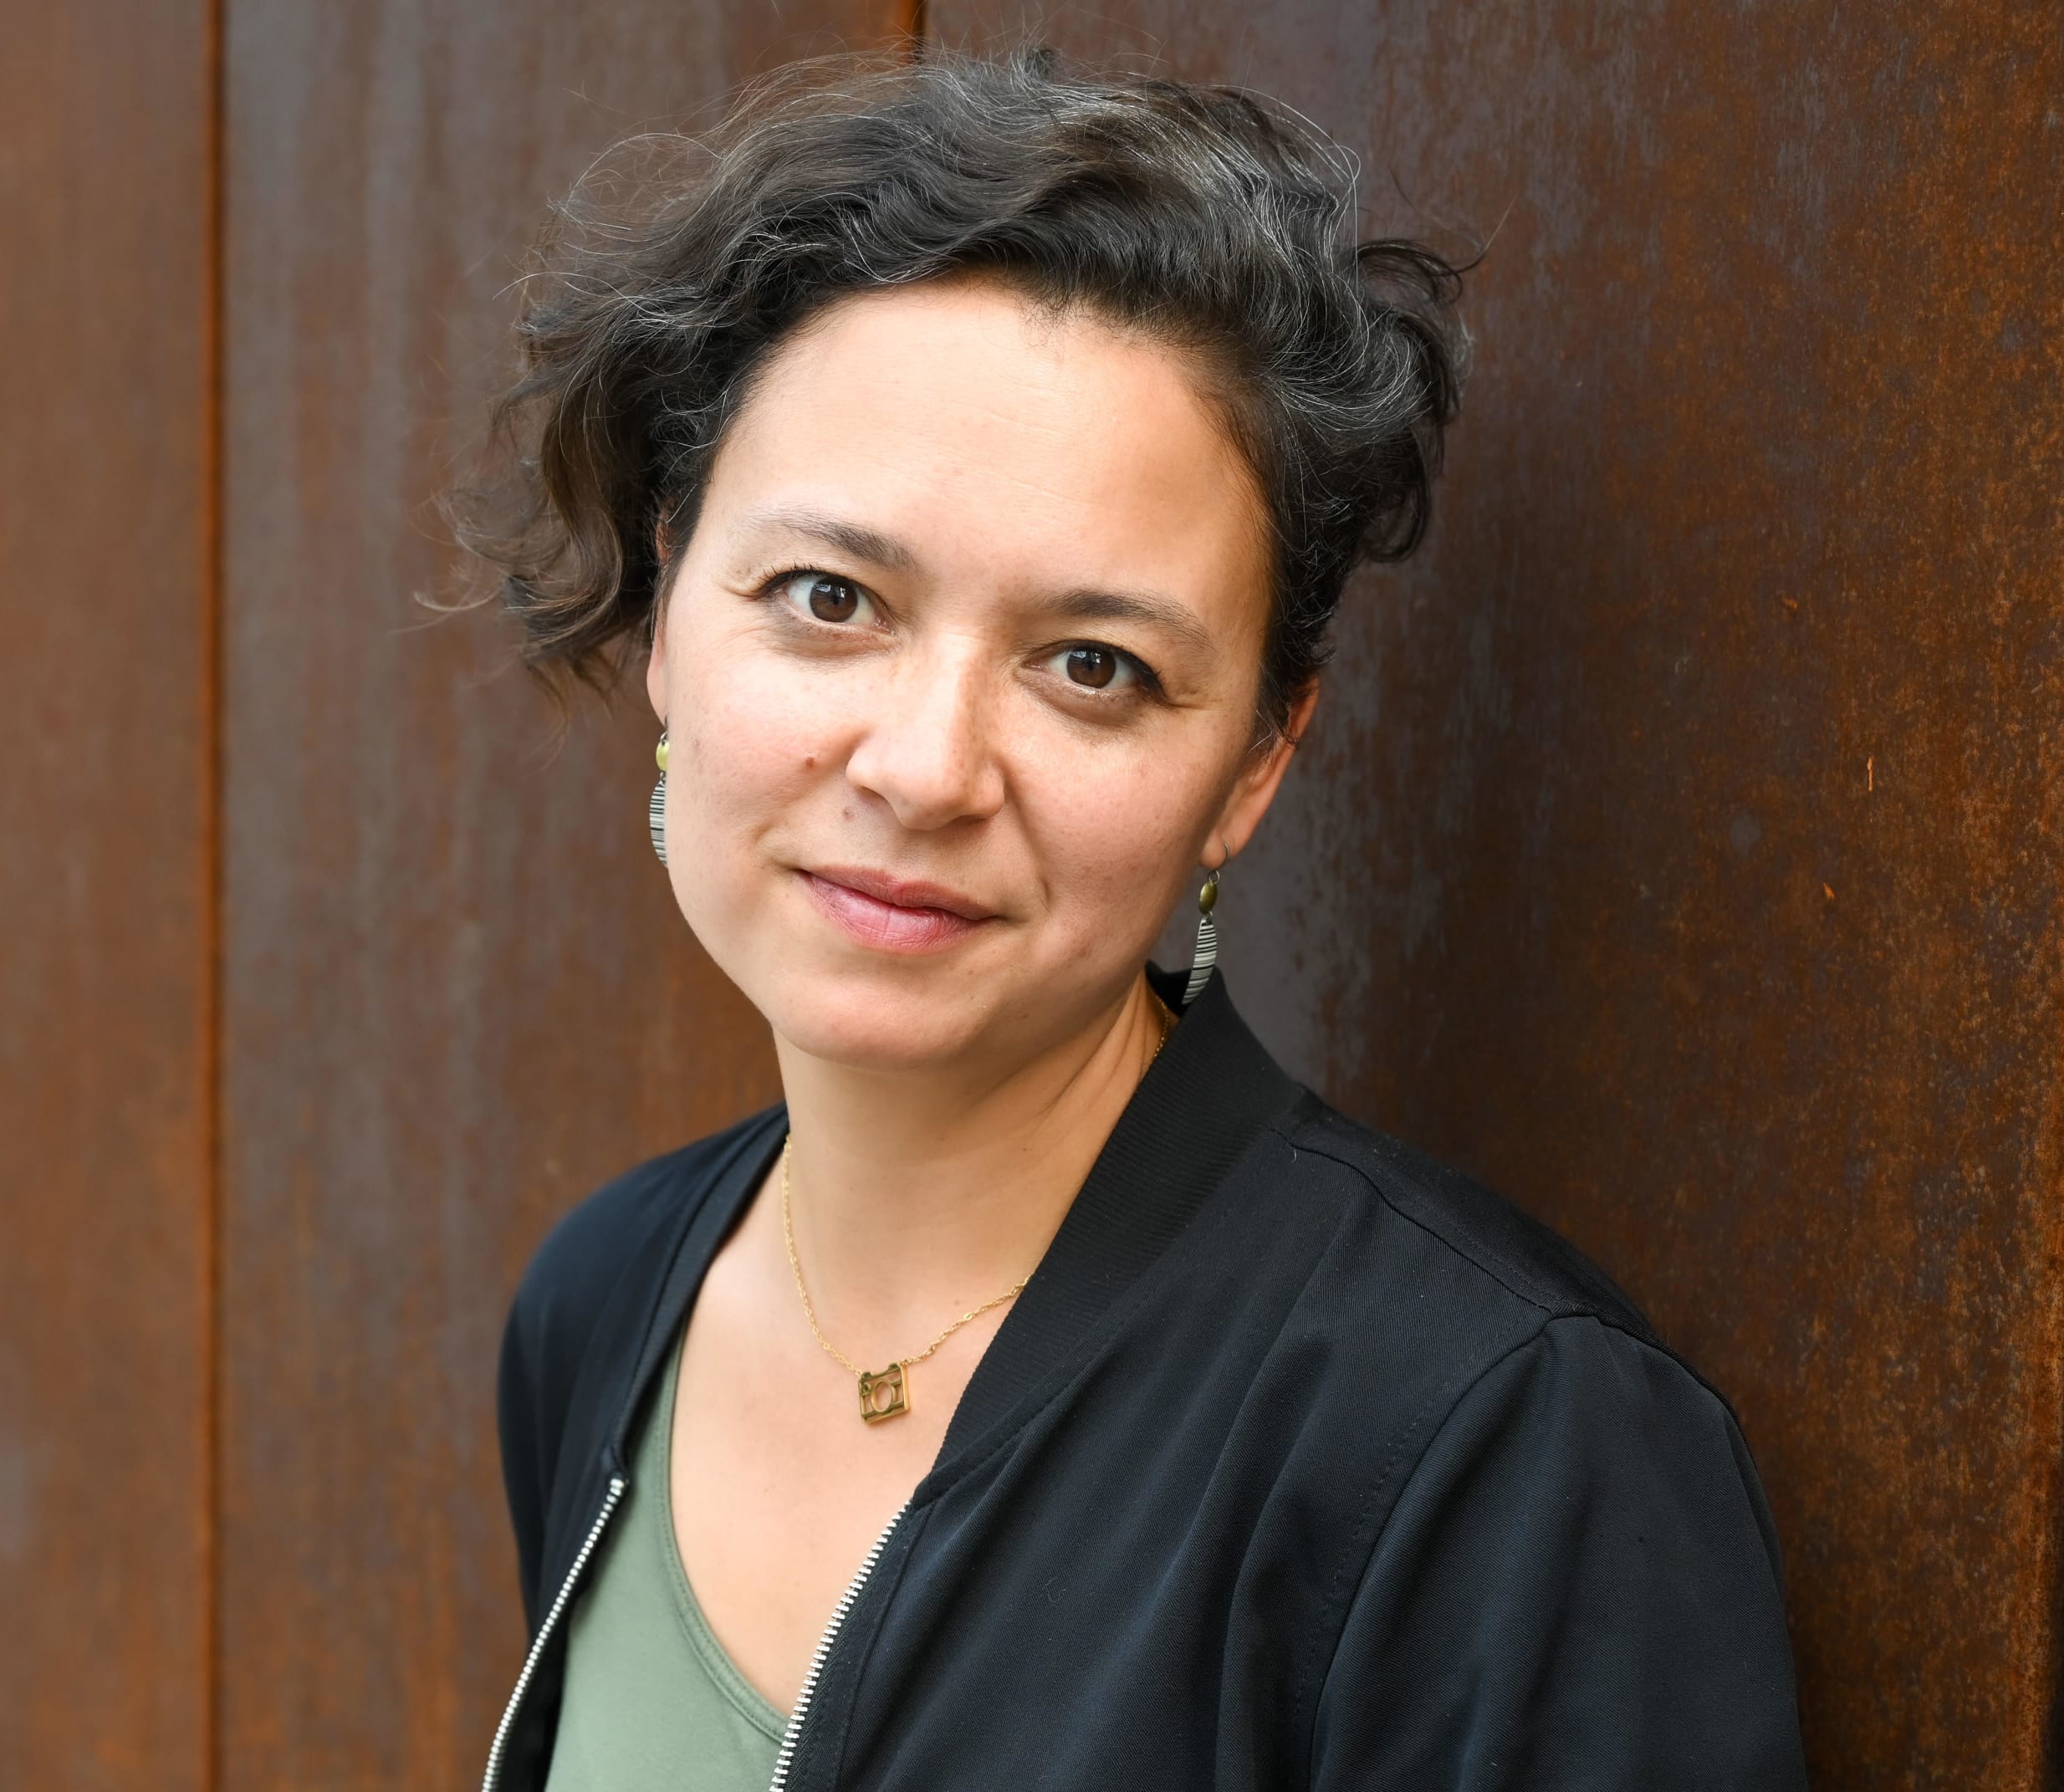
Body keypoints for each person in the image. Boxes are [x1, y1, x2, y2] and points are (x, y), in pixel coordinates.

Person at [452, 46, 1808, 1792]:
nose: (927, 765)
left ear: (1251, 763)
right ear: (666, 618)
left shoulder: (1498, 1441)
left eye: (1093, 666)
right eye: (828, 597)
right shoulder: (607, 1300)